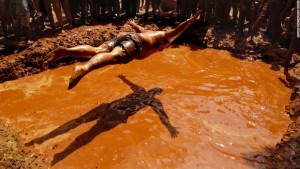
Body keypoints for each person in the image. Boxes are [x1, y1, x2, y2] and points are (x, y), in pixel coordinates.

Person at [45, 11, 200, 90]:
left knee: (97, 50)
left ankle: (65, 52)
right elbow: (176, 32)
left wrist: (133, 25)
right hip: (136, 42)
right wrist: (189, 22)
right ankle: (83, 67)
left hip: (127, 36)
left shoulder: (149, 31)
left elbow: (138, 28)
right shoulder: (165, 38)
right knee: (114, 57)